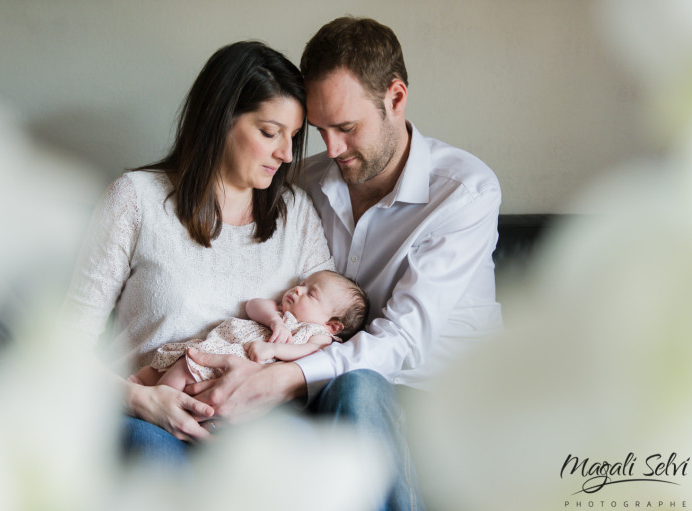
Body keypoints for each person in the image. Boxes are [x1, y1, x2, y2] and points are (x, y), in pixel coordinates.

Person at [184, 17, 503, 510]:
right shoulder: (305, 184)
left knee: (356, 387)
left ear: (395, 99)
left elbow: (403, 342)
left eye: (347, 128)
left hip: (431, 395)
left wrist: (282, 378)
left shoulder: (464, 193)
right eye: (320, 130)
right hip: (325, 378)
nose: (331, 149)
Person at [61, 40, 335, 448]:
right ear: (220, 119)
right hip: (150, 421)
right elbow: (65, 346)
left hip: (255, 430)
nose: (286, 154)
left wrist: (268, 385)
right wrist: (141, 399)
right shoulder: (137, 199)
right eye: (269, 132)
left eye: (294, 136)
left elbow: (331, 336)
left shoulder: (295, 214)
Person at [129, 270, 368, 392]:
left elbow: (305, 352)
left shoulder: (319, 335)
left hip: (236, 365)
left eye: (311, 293)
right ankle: (141, 383)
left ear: (333, 325)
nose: (297, 290)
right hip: (215, 345)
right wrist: (275, 320)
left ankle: (161, 399)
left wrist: (273, 347)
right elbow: (253, 305)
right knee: (167, 363)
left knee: (184, 368)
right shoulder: (280, 314)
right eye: (302, 285)